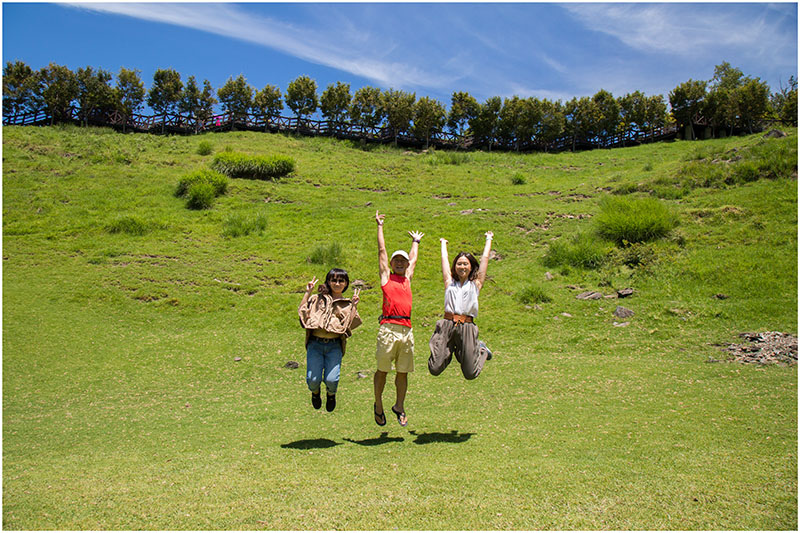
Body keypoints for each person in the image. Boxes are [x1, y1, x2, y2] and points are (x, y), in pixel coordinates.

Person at [373, 210, 423, 427]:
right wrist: (380, 226)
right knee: (383, 370)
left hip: (406, 329)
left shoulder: (407, 280)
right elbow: (382, 251)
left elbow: (413, 259)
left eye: (403, 261)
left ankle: (399, 405)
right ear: (392, 264)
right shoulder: (387, 277)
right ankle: (378, 404)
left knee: (403, 372)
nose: (401, 263)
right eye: (397, 261)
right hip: (388, 328)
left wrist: (415, 242)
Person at [428, 231, 494, 380]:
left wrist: (488, 239)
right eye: (459, 263)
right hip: (447, 324)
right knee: (434, 368)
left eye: (465, 264)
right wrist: (443, 244)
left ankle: (481, 349)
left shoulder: (475, 284)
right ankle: (449, 348)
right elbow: (444, 261)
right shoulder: (449, 283)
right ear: (455, 266)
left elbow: (484, 260)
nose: (462, 266)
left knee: (470, 373)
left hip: (467, 326)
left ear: (471, 267)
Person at [298, 268, 362, 412]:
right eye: (334, 280)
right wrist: (308, 292)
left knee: (332, 380)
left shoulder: (347, 304)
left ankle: (331, 394)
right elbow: (302, 311)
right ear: (328, 281)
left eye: (341, 281)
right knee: (312, 381)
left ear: (346, 284)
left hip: (334, 346)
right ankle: (315, 393)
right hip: (315, 344)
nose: (337, 283)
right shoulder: (316, 299)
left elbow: (349, 326)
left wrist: (354, 306)